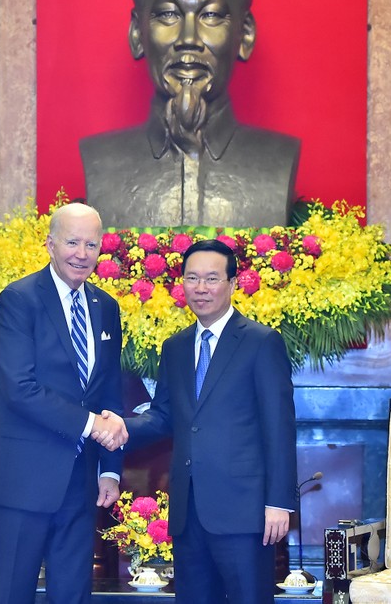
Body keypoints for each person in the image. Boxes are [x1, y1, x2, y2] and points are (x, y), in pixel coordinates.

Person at [103, 239, 297, 603]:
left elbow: (280, 428)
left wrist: (279, 503)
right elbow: (163, 417)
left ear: (233, 283)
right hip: (189, 513)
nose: (201, 288)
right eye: (192, 278)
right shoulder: (175, 348)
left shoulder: (261, 342)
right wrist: (121, 426)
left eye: (212, 278)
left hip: (246, 513)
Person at [80, 0, 300, 228]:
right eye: (168, 14)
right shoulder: (102, 161)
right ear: (137, 33)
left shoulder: (278, 160)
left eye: (210, 15)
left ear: (244, 35)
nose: (188, 40)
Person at [0, 202, 129, 604]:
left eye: (92, 245)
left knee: (73, 595)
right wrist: (92, 425)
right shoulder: (19, 300)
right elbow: (19, 388)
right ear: (49, 244)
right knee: (13, 594)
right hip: (22, 483)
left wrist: (110, 470)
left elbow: (108, 393)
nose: (82, 253)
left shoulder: (106, 307)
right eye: (72, 242)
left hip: (81, 485)